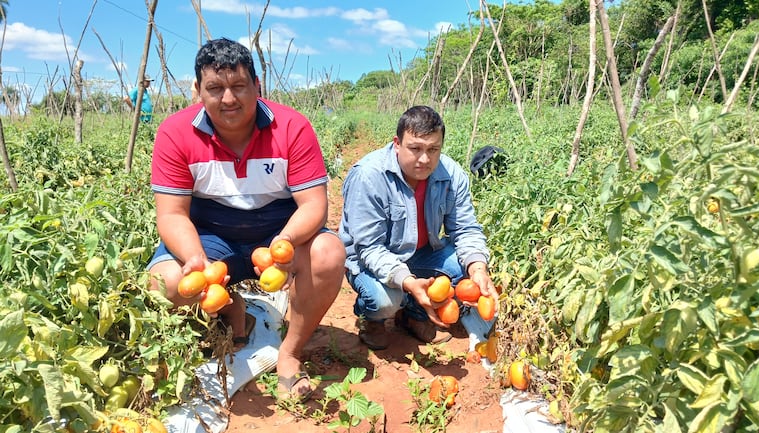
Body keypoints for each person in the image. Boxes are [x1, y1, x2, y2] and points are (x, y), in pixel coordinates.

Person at [147, 38, 345, 401]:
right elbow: (172, 214)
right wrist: (196, 259)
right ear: (197, 91)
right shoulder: (175, 133)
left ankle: (289, 354)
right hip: (209, 236)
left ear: (257, 85)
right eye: (215, 88)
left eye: (239, 86)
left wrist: (281, 245)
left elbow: (314, 205)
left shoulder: (292, 127)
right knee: (167, 284)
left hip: (276, 231)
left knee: (328, 255)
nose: (228, 99)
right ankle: (231, 307)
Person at [339, 105, 498, 350]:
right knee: (383, 301)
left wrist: (477, 267)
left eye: (433, 149)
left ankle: (412, 315)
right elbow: (369, 249)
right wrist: (407, 281)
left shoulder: (451, 174)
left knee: (468, 271)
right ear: (397, 144)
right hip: (371, 259)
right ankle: (373, 320)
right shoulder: (369, 176)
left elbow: (465, 228)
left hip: (423, 252)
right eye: (415, 149)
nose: (425, 159)